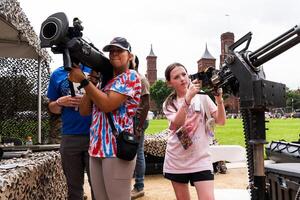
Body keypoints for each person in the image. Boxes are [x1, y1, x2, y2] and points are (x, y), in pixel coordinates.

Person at [68, 37, 141, 200]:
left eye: (119, 50)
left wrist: (84, 80)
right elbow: (84, 111)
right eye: (111, 51)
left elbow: (107, 105)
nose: (114, 53)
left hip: (116, 149)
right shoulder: (105, 83)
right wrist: (92, 80)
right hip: (96, 148)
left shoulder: (131, 77)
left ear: (130, 56)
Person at [162, 62, 226, 200]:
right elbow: (178, 122)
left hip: (200, 158)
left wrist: (219, 100)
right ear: (169, 83)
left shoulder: (202, 97)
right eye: (176, 77)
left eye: (184, 74)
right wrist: (188, 98)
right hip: (177, 159)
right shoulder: (169, 103)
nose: (182, 79)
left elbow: (221, 121)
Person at [47, 64, 96, 200]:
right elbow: (52, 108)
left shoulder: (93, 69)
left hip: (95, 135)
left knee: (98, 186)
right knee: (73, 187)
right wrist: (59, 102)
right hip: (70, 136)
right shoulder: (57, 74)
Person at [129, 55, 150, 199]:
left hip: (138, 120)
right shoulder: (127, 77)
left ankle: (139, 186)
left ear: (135, 62)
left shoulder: (140, 78)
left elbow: (146, 104)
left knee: (138, 152)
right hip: (132, 120)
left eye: (131, 58)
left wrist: (139, 126)